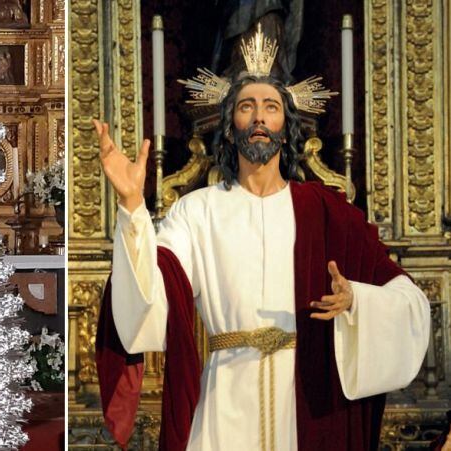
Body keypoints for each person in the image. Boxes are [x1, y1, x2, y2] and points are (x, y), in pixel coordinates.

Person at [94, 27, 431, 451]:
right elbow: (154, 294)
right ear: (229, 125)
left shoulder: (326, 211)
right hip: (224, 402)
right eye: (246, 107)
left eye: (270, 107)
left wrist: (358, 301)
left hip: (306, 397)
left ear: (286, 127)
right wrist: (131, 208)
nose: (258, 117)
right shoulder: (197, 210)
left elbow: (409, 300)